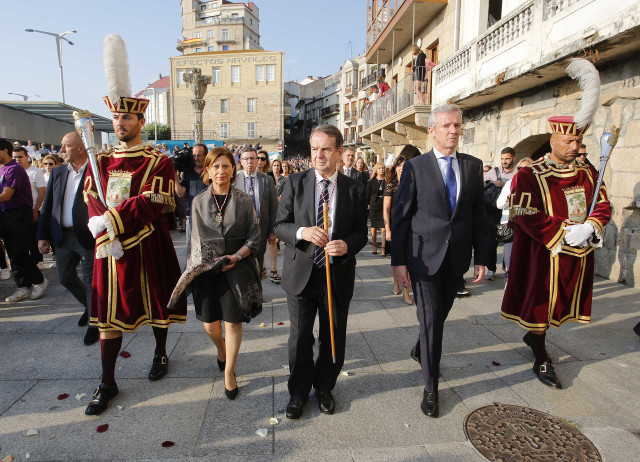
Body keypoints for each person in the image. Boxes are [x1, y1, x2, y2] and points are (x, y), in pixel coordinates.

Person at [83, 35, 186, 416]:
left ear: (141, 120)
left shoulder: (159, 161)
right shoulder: (103, 158)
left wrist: (112, 219)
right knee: (108, 314)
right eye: (115, 117)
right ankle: (107, 381)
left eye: (127, 117)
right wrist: (100, 224)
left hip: (147, 242)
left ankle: (160, 354)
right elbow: (91, 193)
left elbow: (157, 201)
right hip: (107, 249)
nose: (120, 122)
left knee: (157, 303)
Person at [391, 105, 491, 418]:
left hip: (456, 258)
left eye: (457, 126)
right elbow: (401, 216)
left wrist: (483, 256)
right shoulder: (416, 167)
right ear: (432, 131)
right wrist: (399, 262)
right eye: (446, 126)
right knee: (432, 321)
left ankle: (422, 347)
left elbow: (479, 215)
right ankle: (431, 389)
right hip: (422, 258)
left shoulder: (473, 167)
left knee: (440, 314)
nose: (453, 131)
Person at [501, 116, 611, 390]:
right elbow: (522, 212)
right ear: (553, 141)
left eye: (579, 141)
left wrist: (591, 225)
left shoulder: (587, 171)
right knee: (541, 307)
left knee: (562, 305)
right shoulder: (529, 174)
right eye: (569, 141)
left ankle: (535, 339)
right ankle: (541, 357)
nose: (575, 146)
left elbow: (603, 202)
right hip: (543, 253)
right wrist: (562, 232)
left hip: (578, 252)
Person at [274, 124, 368, 419]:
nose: (319, 155)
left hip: (336, 275)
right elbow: (279, 226)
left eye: (326, 149)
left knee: (333, 335)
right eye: (315, 149)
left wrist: (346, 245)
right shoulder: (295, 182)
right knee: (300, 337)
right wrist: (303, 231)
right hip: (301, 273)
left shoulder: (355, 189)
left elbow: (360, 233)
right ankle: (298, 392)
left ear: (340, 153)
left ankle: (325, 387)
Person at [169, 147, 262, 400]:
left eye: (226, 166)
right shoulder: (199, 201)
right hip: (208, 271)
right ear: (208, 171)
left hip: (237, 269)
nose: (221, 171)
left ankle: (229, 373)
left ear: (234, 170)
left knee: (233, 323)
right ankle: (221, 350)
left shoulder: (243, 200)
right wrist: (212, 263)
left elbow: (255, 236)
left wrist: (235, 256)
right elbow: (195, 242)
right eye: (216, 166)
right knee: (211, 326)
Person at [37, 132, 98, 345]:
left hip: (87, 235)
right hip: (62, 235)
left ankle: (94, 324)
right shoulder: (58, 172)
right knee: (64, 277)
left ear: (81, 148)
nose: (61, 151)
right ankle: (90, 307)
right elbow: (47, 206)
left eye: (65, 146)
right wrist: (42, 235)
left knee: (92, 282)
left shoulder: (95, 171)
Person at [0, 138, 48, 302]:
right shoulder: (3, 169)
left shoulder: (14, 169)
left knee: (19, 251)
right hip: (6, 215)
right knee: (13, 254)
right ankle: (23, 286)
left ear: (4, 151)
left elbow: (7, 195)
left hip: (18, 215)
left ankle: (40, 281)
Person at [235, 147, 278, 275]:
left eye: (253, 158)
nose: (250, 162)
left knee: (257, 264)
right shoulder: (234, 180)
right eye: (246, 159)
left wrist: (272, 231)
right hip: (240, 231)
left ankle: (257, 292)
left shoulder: (267, 180)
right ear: (241, 161)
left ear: (257, 160)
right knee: (241, 265)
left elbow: (273, 207)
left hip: (261, 230)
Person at [383, 153, 415, 306]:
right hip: (395, 226)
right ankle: (397, 283)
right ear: (395, 168)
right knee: (396, 258)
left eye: (405, 166)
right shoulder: (391, 185)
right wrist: (387, 229)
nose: (402, 169)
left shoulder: (413, 183)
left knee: (407, 259)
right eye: (399, 166)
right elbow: (386, 209)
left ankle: (405, 289)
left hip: (411, 226)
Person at [495, 157, 533, 280]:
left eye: (527, 169)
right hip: (511, 226)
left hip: (530, 227)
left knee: (528, 262)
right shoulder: (510, 184)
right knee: (510, 260)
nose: (523, 172)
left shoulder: (537, 186)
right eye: (520, 169)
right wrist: (508, 199)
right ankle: (509, 285)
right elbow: (499, 204)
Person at [485, 147, 517, 281]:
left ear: (514, 158)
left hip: (510, 213)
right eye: (502, 158)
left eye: (507, 158)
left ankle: (507, 270)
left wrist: (503, 184)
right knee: (491, 242)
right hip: (494, 211)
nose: (504, 161)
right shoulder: (494, 171)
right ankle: (491, 269)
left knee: (508, 243)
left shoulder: (517, 172)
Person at [12, 147, 46, 268]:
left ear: (27, 157)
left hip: (33, 209)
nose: (17, 159)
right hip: (17, 211)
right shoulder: (13, 171)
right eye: (15, 157)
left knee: (33, 236)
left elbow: (41, 192)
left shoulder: (35, 171)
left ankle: (38, 260)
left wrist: (36, 209)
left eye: (20, 157)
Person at [176, 143, 207, 240]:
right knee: (192, 250)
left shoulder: (211, 170)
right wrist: (173, 174)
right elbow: (181, 193)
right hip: (192, 215)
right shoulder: (187, 173)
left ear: (205, 155)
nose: (196, 158)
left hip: (209, 216)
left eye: (199, 155)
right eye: (194, 155)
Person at [366, 162, 386, 255]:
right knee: (374, 227)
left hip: (384, 206)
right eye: (380, 168)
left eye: (383, 168)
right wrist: (367, 204)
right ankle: (374, 246)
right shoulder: (372, 181)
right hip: (374, 205)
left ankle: (383, 248)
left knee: (384, 228)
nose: (381, 170)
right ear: (376, 170)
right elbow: (367, 195)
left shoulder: (387, 180)